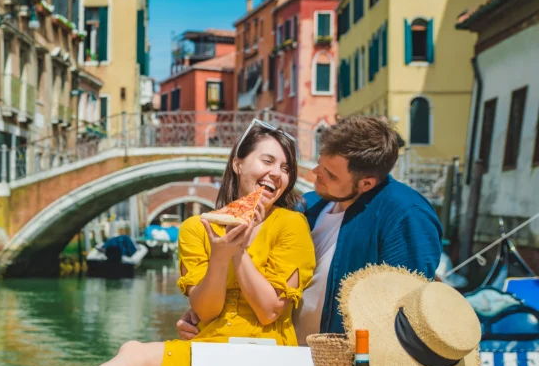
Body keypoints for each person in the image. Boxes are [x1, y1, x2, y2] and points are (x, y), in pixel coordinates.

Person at [0, 122, 316, 366]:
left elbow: (270, 311)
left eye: (286, 168)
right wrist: (220, 255)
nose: (277, 173)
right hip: (210, 352)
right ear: (238, 163)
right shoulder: (197, 228)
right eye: (267, 161)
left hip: (265, 360)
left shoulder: (291, 225)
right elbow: (207, 311)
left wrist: (238, 252)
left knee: (135, 356)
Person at [177, 115, 442, 345]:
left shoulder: (407, 214)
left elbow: (405, 306)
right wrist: (200, 314)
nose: (315, 172)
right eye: (319, 162)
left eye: (330, 173)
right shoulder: (309, 204)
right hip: (294, 355)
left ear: (366, 184)